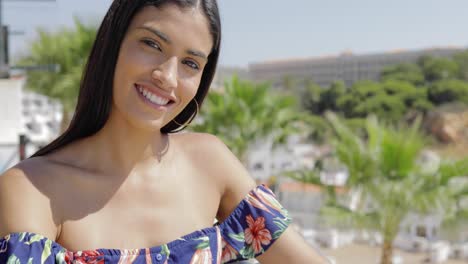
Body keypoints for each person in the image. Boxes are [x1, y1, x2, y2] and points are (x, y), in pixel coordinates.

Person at [0, 0, 330, 263]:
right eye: (152, 44)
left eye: (190, 64)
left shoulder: (210, 162)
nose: (167, 77)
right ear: (113, 43)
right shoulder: (30, 190)